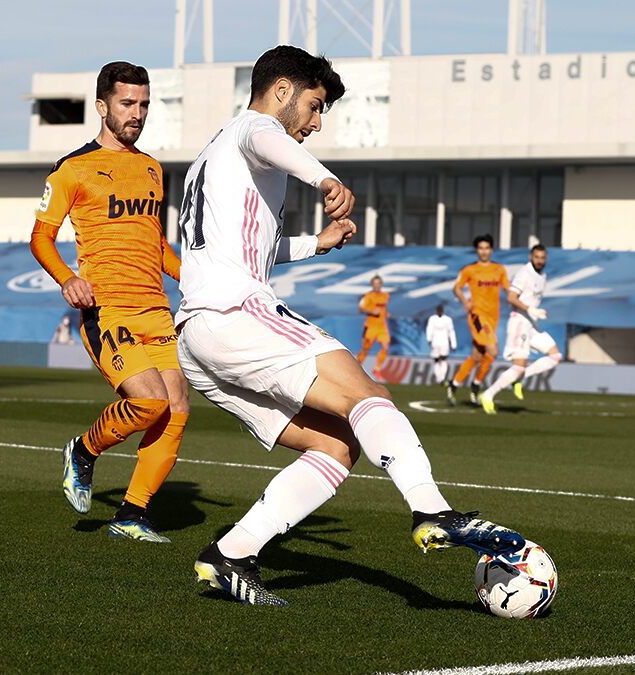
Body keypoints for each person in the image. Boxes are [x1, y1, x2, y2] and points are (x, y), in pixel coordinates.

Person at [176, 45, 524, 606]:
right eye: (314, 106)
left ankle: (231, 555)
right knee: (369, 396)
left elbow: (248, 249)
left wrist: (317, 243)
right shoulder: (253, 129)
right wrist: (324, 180)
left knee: (337, 443)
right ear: (282, 90)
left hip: (198, 334)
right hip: (236, 314)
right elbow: (267, 137)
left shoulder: (210, 157)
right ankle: (432, 510)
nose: (315, 124)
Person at [30, 61, 189, 543]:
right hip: (108, 310)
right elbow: (41, 237)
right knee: (149, 401)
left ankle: (131, 514)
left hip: (156, 310)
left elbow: (156, 244)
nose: (137, 113)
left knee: (177, 408)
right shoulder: (72, 169)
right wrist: (67, 279)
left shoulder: (152, 168)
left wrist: (194, 278)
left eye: (144, 104)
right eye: (127, 103)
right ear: (102, 107)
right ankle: (83, 450)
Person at [479, 244, 563, 414]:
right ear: (531, 257)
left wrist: (536, 312)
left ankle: (519, 379)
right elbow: (511, 297)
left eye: (542, 258)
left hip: (532, 324)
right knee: (518, 366)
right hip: (519, 323)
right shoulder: (524, 274)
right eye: (536, 257)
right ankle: (488, 395)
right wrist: (530, 309)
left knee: (555, 356)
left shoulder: (542, 276)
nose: (539, 261)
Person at [449, 234, 509, 404]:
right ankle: (476, 384)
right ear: (477, 250)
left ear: (491, 250)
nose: (484, 251)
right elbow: (456, 288)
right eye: (481, 248)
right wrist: (465, 301)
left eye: (487, 248)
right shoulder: (469, 270)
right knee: (493, 350)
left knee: (477, 354)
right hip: (478, 315)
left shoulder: (499, 269)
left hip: (493, 317)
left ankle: (454, 383)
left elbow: (509, 289)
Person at [355, 275, 391, 376]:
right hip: (370, 327)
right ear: (372, 285)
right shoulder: (368, 296)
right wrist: (371, 311)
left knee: (385, 346)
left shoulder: (385, 295)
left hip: (382, 327)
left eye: (378, 283)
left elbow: (384, 307)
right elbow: (361, 309)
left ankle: (377, 368)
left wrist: (386, 313)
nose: (377, 285)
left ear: (381, 284)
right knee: (365, 349)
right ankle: (356, 366)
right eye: (375, 283)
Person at [425, 303, 458, 404]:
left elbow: (451, 332)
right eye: (438, 310)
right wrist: (429, 339)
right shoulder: (432, 319)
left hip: (444, 342)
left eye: (441, 310)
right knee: (436, 360)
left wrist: (453, 343)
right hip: (435, 342)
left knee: (443, 359)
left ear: (443, 311)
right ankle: (439, 378)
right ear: (436, 311)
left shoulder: (448, 320)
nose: (439, 311)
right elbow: (429, 329)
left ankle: (442, 378)